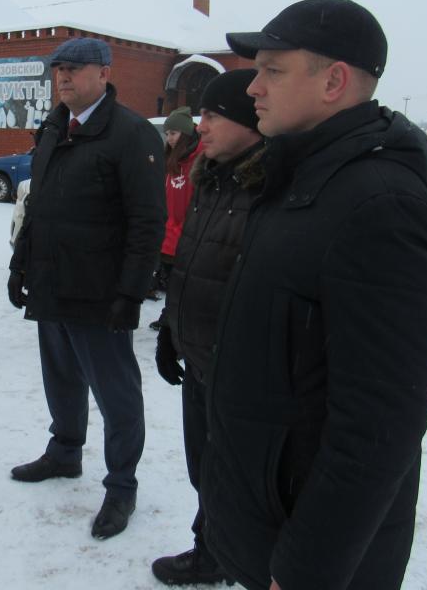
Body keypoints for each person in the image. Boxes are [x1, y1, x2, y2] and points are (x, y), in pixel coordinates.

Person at [201, 0, 427, 590]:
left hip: (313, 556)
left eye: (272, 70)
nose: (253, 87)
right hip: (269, 516)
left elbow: (380, 423)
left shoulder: (380, 205)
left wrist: (309, 568)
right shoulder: (298, 177)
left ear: (334, 80)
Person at [7, 37, 165, 540]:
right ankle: (65, 452)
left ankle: (121, 485)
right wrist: (20, 262)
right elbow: (39, 202)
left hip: (100, 292)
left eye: (74, 69)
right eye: (58, 71)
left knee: (116, 393)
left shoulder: (131, 133)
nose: (64, 78)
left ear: (103, 73)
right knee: (60, 377)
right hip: (51, 280)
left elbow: (147, 222)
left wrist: (131, 294)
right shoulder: (54, 127)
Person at [150, 70, 263, 586]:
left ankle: (226, 555)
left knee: (234, 475)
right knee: (204, 467)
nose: (202, 125)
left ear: (248, 120)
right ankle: (213, 548)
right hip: (198, 358)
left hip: (237, 368)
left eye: (214, 115)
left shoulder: (265, 187)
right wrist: (171, 331)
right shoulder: (212, 178)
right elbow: (191, 263)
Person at [146, 106, 202, 307]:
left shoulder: (199, 158)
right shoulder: (171, 160)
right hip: (170, 229)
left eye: (174, 133)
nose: (169, 138)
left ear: (186, 133)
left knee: (182, 285)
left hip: (188, 232)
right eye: (167, 133)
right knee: (172, 282)